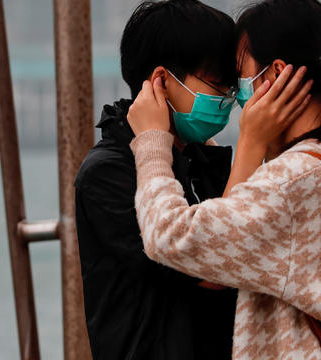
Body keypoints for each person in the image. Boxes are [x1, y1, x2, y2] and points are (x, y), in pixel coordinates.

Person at [127, 0, 321, 358]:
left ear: (276, 73)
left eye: (241, 74)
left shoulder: (292, 181)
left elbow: (169, 235)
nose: (237, 92)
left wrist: (152, 142)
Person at [74, 1, 239, 358]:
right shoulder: (109, 172)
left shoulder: (202, 158)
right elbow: (214, 265)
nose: (226, 99)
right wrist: (257, 140)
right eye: (215, 83)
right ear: (162, 81)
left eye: (231, 88)